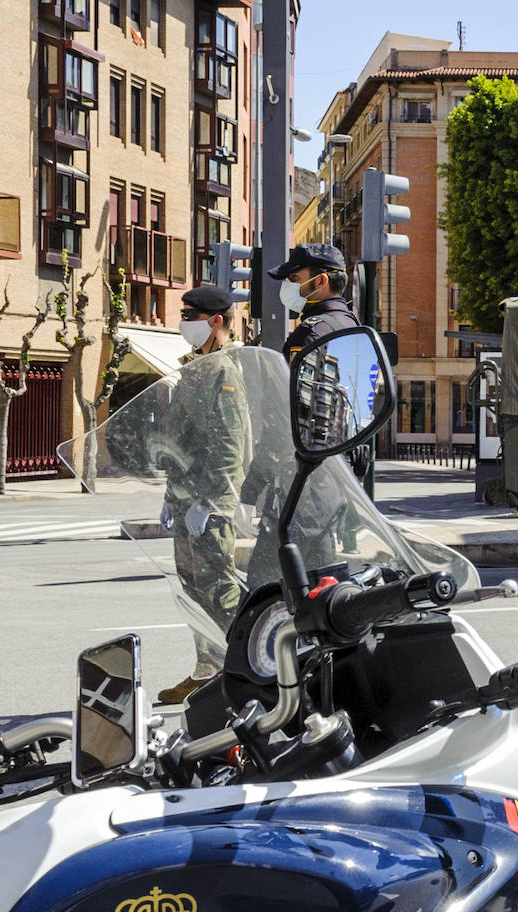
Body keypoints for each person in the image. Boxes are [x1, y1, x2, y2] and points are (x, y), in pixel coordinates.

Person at [157, 285, 249, 704]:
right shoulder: (197, 367)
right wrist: (170, 493)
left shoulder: (223, 371)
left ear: (216, 321)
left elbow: (230, 445)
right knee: (193, 589)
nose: (183, 322)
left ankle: (243, 672)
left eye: (191, 315)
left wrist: (209, 502)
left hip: (208, 504)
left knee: (219, 591)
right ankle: (207, 672)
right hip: (186, 497)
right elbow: (182, 441)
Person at [269, 243, 360, 362]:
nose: (288, 285)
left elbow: (293, 380)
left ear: (321, 281)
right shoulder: (352, 323)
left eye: (294, 278)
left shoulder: (309, 333)